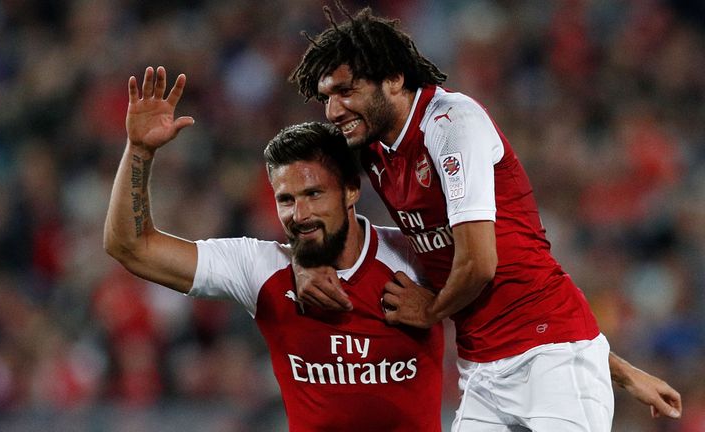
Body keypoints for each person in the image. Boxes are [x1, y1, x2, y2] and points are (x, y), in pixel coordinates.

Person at [288, 2, 682, 430]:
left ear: (394, 78)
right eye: (327, 97)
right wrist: (305, 262)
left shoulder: (451, 124)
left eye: (347, 92)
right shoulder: (373, 146)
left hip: (550, 360)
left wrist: (431, 310)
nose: (333, 111)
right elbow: (300, 190)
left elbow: (481, 263)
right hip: (483, 369)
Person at [104, 66, 445, 431]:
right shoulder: (262, 267)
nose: (300, 214)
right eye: (286, 199)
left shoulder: (414, 255)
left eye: (314, 194)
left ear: (350, 189)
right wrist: (139, 150)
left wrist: (443, 304)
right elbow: (131, 247)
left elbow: (506, 279)